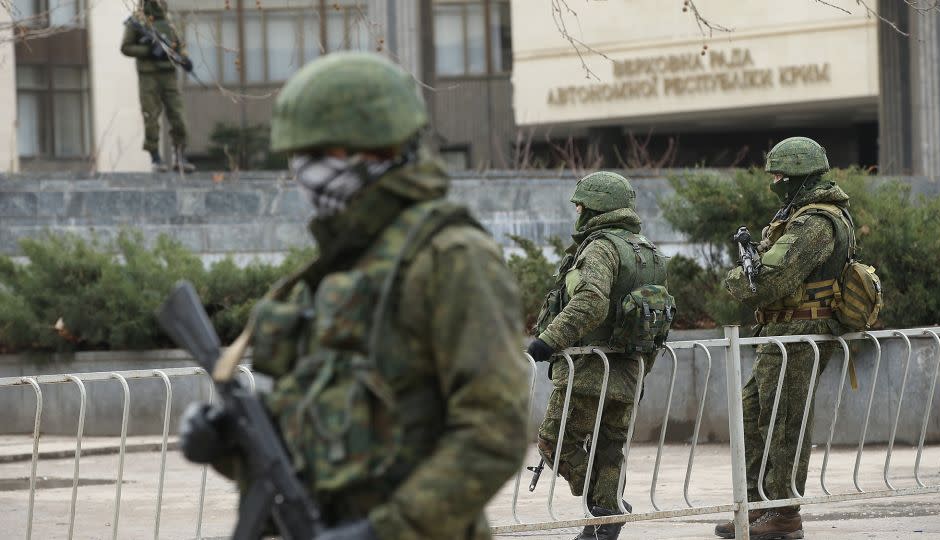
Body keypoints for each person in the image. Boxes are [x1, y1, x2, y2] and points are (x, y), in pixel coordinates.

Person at [178, 52, 530, 540]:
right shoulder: (328, 272)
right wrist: (228, 445)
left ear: (378, 150)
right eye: (299, 156)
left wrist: (384, 531)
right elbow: (317, 444)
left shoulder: (451, 257)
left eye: (323, 154)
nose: (305, 170)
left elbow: (494, 432)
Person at [714, 136, 856, 539]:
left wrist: (736, 280)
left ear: (799, 177)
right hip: (780, 333)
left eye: (779, 175)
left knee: (785, 420)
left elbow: (772, 278)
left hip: (801, 333)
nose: (774, 181)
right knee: (754, 412)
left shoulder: (817, 222)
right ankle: (758, 507)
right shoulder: (795, 213)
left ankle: (784, 511)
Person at [528, 171, 672, 540]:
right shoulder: (647, 250)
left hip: (589, 367)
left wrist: (547, 340)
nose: (577, 210)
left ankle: (605, 509)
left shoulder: (601, 247)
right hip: (630, 368)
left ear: (595, 207)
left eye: (580, 205)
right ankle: (603, 525)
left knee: (554, 442)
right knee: (610, 448)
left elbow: (591, 301)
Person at [120, 0, 195, 173]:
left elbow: (179, 45)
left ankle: (180, 155)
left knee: (178, 116)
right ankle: (155, 157)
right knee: (151, 117)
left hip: (168, 75)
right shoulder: (137, 21)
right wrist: (148, 50)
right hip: (149, 76)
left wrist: (184, 59)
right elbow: (125, 47)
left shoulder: (169, 21)